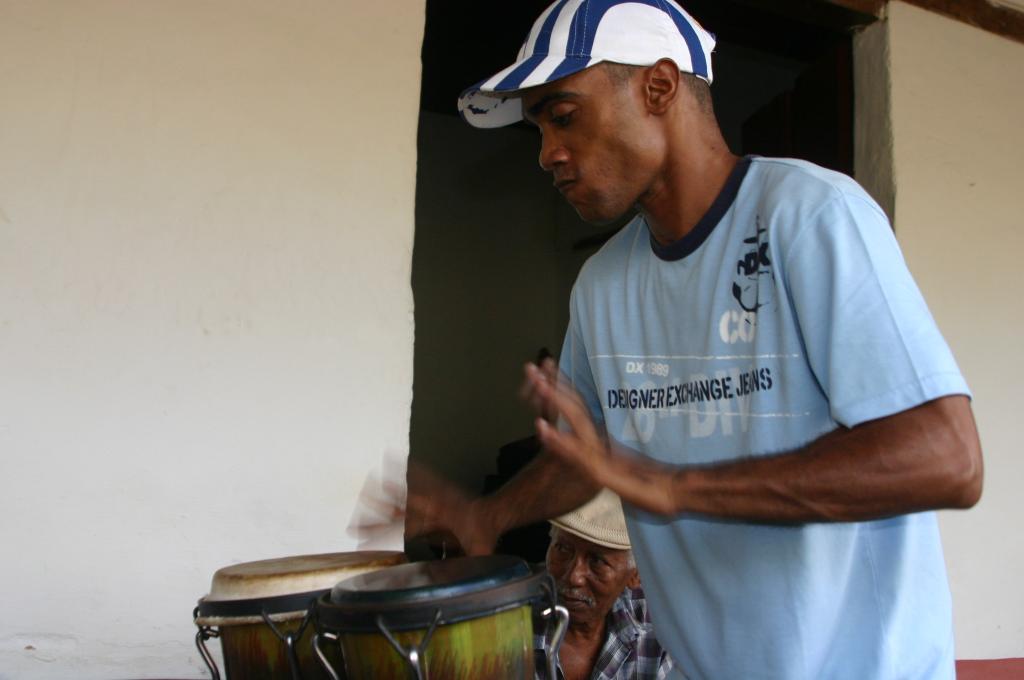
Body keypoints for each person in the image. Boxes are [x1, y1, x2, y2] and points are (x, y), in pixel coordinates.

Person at [410, 1, 985, 679]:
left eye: (562, 115)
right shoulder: (602, 285)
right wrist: (490, 514)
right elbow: (591, 459)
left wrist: (672, 485)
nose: (547, 155)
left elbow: (946, 456)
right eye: (538, 129)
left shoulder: (808, 216)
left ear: (659, 86)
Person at [536, 488, 673, 680]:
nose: (574, 576)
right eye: (563, 548)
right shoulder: (512, 617)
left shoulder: (659, 623)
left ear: (637, 575)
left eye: (597, 561)